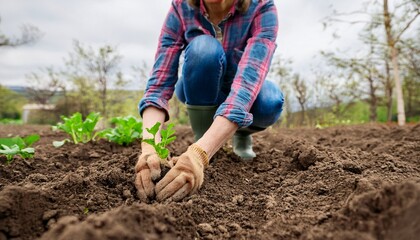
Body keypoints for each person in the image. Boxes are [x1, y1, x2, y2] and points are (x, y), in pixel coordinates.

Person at [135, 0, 284, 202]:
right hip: (200, 88)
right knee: (203, 49)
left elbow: (248, 83)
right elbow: (158, 84)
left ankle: (233, 137)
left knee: (270, 101)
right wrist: (150, 147)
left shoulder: (262, 7)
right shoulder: (181, 8)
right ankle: (203, 135)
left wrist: (199, 155)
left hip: (242, 92)